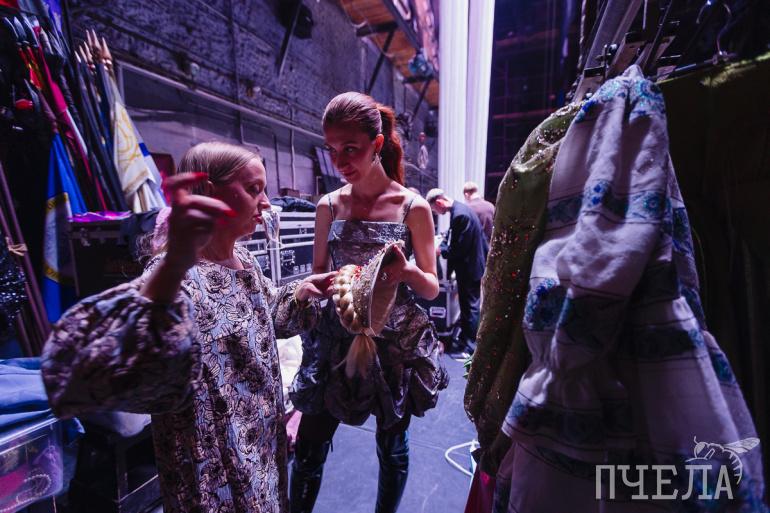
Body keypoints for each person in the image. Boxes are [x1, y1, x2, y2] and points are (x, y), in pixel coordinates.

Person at [40, 142, 337, 513]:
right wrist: (176, 262)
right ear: (210, 192)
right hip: (213, 473)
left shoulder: (244, 259)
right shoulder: (176, 279)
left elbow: (268, 314)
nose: (266, 204)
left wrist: (303, 293)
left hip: (262, 450)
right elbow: (90, 369)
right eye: (253, 189)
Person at [289, 92, 448, 513]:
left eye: (350, 149)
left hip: (392, 341)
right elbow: (318, 271)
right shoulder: (328, 205)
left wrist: (406, 272)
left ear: (377, 144)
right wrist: (321, 287)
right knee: (309, 447)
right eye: (332, 150)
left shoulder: (412, 207)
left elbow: (431, 287)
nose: (339, 161)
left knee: (392, 448)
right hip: (336, 335)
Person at [426, 188, 488, 354]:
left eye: (435, 210)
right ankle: (467, 340)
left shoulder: (460, 214)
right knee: (468, 306)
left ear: (439, 202)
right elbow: (453, 235)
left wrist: (441, 251)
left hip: (469, 268)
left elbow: (459, 248)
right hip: (472, 266)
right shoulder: (461, 210)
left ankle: (470, 346)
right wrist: (443, 246)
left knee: (470, 307)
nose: (437, 213)